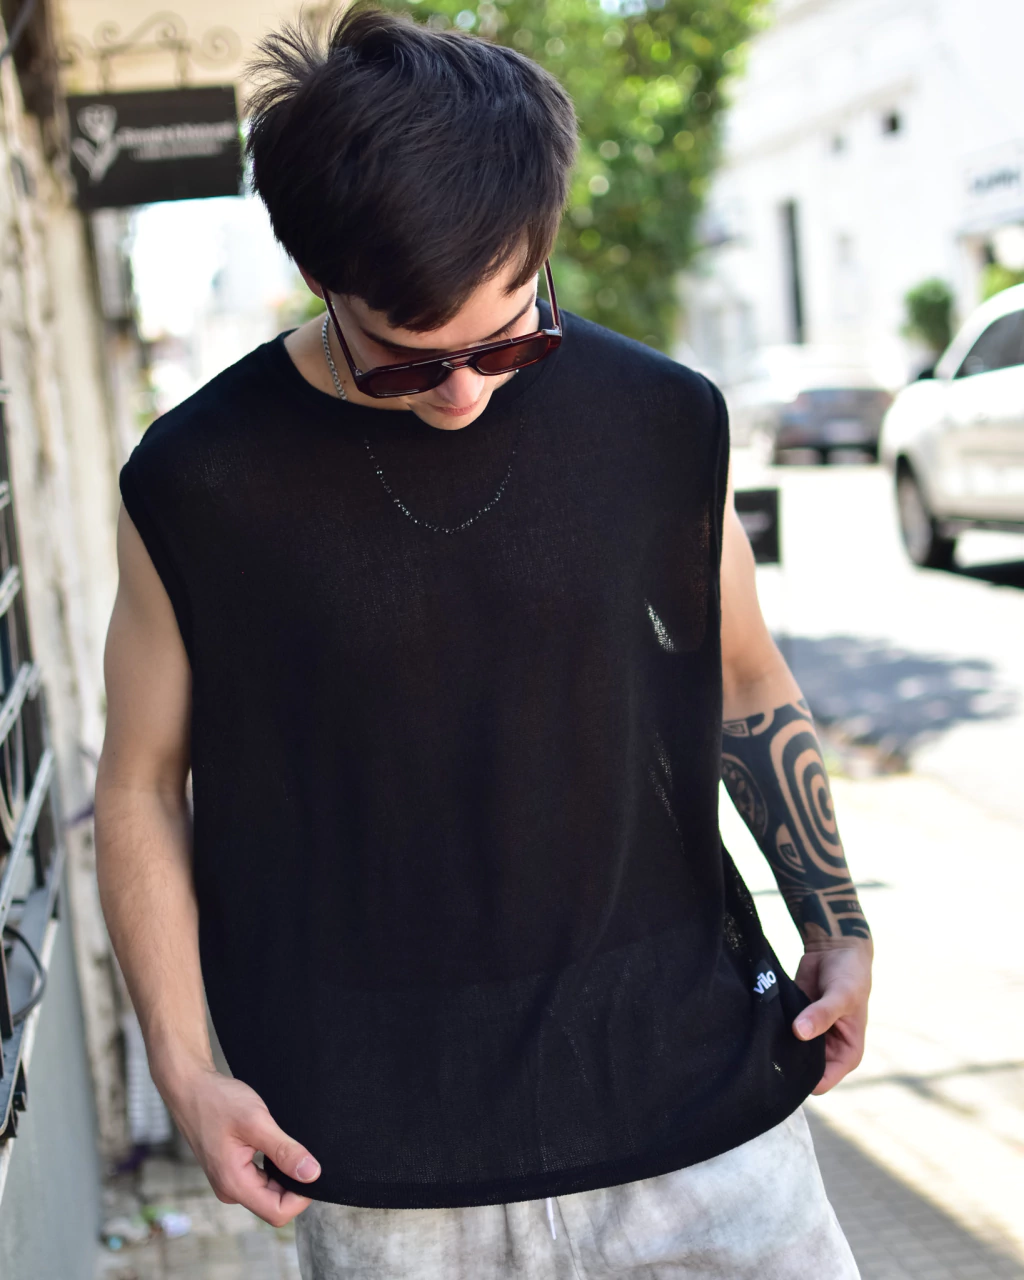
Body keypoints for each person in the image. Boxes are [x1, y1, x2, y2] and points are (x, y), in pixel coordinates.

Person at [95, 8, 872, 1278]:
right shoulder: (199, 481)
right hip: (386, 1170)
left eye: (509, 336)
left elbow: (741, 680)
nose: (463, 390)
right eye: (407, 360)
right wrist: (185, 1069)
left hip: (700, 1119)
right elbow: (137, 782)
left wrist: (833, 917)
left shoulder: (661, 421)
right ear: (320, 278)